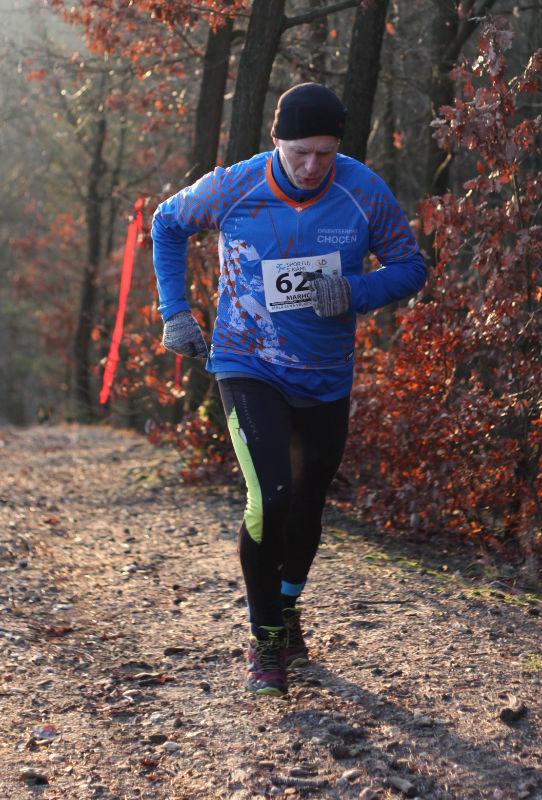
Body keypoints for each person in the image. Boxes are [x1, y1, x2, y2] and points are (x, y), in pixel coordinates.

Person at [152, 83, 427, 697]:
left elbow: (411, 267)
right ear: (277, 141)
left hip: (326, 375)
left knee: (307, 504)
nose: (311, 166)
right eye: (300, 152)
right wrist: (176, 311)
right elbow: (166, 223)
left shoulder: (363, 191)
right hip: (247, 363)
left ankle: (288, 604)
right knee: (270, 498)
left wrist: (356, 291)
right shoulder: (234, 185)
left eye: (325, 153)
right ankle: (267, 637)